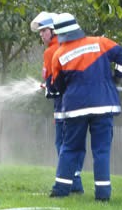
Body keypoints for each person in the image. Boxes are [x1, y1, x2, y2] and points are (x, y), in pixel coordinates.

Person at [48, 12, 122, 201]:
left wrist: (60, 90)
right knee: (101, 151)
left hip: (75, 108)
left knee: (70, 148)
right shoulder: (100, 42)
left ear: (59, 34)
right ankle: (103, 195)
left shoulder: (59, 54)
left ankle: (60, 190)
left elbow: (58, 86)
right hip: (103, 105)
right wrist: (117, 77)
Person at [30, 11, 84, 193]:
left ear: (53, 30)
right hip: (78, 103)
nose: (41, 35)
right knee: (75, 143)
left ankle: (71, 182)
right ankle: (75, 181)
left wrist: (48, 86)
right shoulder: (71, 47)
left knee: (62, 142)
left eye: (44, 31)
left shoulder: (51, 52)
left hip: (63, 104)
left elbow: (53, 80)